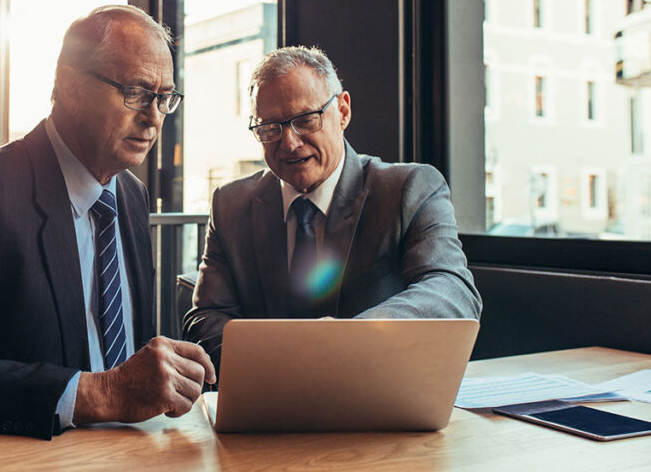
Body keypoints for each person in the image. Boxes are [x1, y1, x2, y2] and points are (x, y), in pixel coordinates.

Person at [0, 5, 216, 440]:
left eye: (165, 98)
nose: (154, 116)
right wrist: (99, 394)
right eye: (136, 92)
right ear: (70, 87)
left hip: (131, 452)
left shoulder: (130, 194)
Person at [183, 46, 482, 373]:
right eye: (270, 128)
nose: (290, 143)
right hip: (269, 401)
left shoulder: (408, 189)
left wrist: (345, 339)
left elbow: (453, 292)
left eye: (305, 120)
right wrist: (278, 364)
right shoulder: (230, 205)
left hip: (376, 396)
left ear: (342, 111)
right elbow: (206, 317)